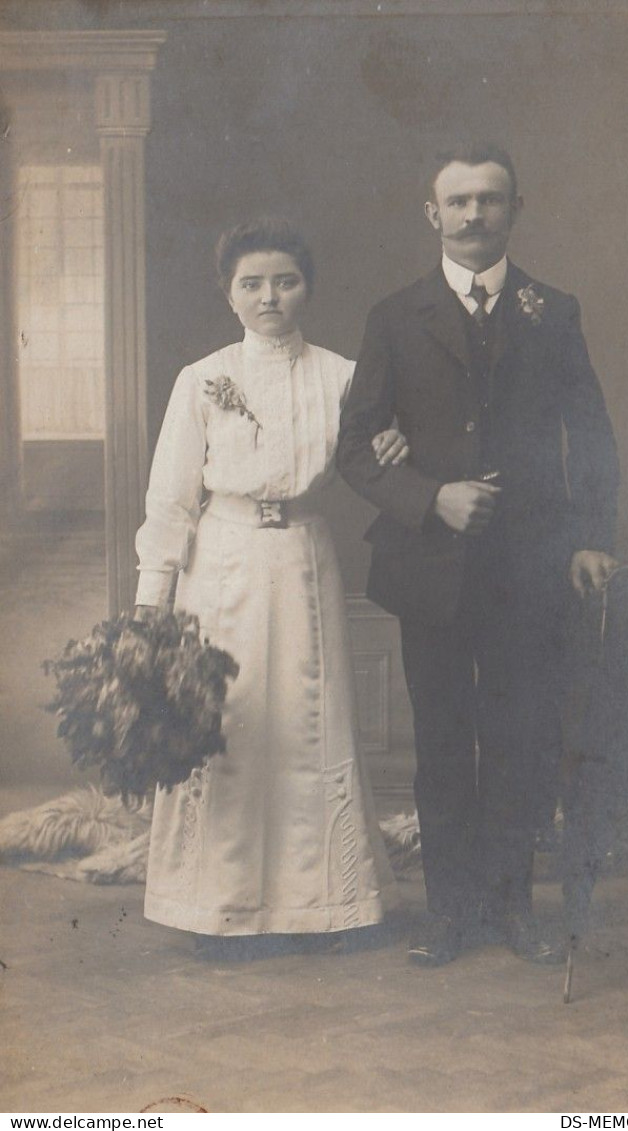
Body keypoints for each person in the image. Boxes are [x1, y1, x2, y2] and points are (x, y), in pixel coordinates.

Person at [337, 143, 620, 967]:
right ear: (432, 214)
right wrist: (431, 498)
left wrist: (592, 536)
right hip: (430, 568)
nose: (471, 215)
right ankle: (450, 913)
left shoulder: (552, 310)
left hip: (528, 566)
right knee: (440, 740)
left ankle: (510, 908)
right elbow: (355, 448)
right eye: (456, 201)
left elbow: (591, 432)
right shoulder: (395, 316)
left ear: (514, 209)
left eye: (488, 200)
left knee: (520, 737)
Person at [134, 217, 405, 947]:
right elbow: (169, 498)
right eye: (251, 283)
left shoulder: (343, 376)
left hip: (303, 561)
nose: (269, 296)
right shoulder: (202, 379)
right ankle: (212, 905)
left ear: (306, 288)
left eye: (284, 281)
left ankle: (320, 903)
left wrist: (392, 439)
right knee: (228, 723)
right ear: (229, 293)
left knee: (304, 724)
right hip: (218, 564)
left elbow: (377, 454)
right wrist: (149, 605)